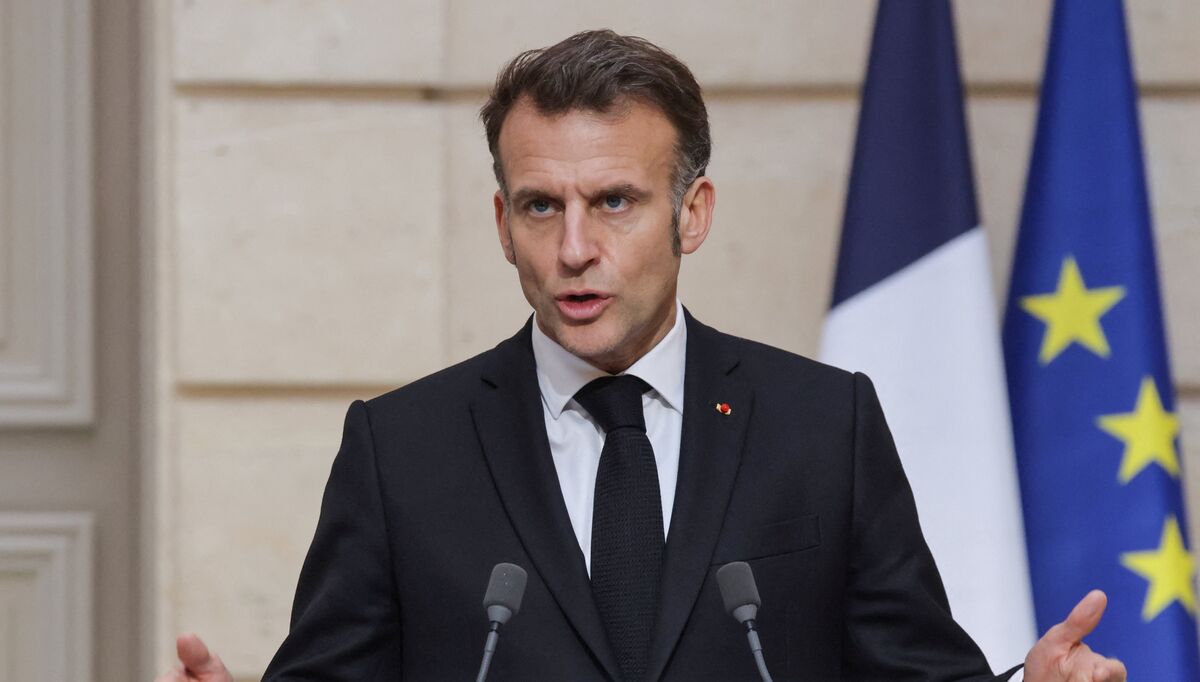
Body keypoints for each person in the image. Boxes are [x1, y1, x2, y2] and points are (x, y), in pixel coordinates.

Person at [156, 30, 1127, 682]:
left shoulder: (822, 427)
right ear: (503, 223)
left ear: (690, 213)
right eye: (543, 205)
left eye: (614, 201)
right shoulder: (401, 448)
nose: (575, 247)